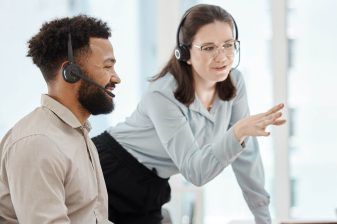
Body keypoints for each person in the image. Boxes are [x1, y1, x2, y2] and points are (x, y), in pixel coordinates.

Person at [93, 4, 285, 224]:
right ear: (185, 53)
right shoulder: (162, 94)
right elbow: (196, 172)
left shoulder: (235, 82)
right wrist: (237, 132)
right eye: (209, 47)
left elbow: (246, 156)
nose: (222, 56)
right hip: (109, 172)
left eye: (228, 45)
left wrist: (263, 217)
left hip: (152, 183)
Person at [0, 15, 120, 224]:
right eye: (108, 66)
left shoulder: (77, 133)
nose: (117, 77)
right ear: (71, 73)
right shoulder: (39, 143)